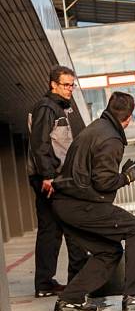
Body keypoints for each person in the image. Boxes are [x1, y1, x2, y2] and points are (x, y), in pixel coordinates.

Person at [50, 91, 135, 311]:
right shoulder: (111, 138)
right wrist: (127, 177)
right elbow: (104, 182)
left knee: (109, 252)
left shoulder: (96, 128)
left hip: (66, 204)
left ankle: (70, 299)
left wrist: (122, 174)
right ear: (129, 118)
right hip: (81, 204)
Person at [27, 65, 88, 298]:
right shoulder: (46, 107)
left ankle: (44, 284)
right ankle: (77, 282)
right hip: (50, 179)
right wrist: (48, 176)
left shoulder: (61, 108)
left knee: (50, 230)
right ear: (53, 84)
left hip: (52, 177)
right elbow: (39, 144)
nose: (70, 89)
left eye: (72, 85)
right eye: (66, 84)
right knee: (71, 225)